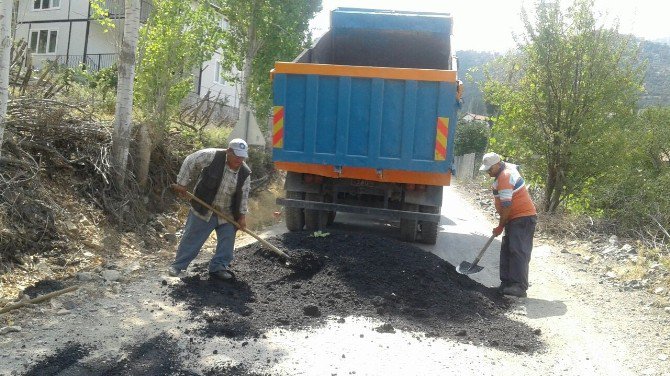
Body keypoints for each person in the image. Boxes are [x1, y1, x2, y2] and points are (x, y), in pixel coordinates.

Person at [168, 138, 251, 280]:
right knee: (192, 238)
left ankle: (218, 268)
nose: (240, 159)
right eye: (237, 156)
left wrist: (241, 217)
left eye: (242, 156)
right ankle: (178, 266)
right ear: (228, 151)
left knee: (227, 241)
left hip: (227, 213)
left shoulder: (245, 172)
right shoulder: (212, 156)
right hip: (203, 208)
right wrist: (182, 183)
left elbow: (244, 195)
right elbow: (190, 160)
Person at [479, 152, 537, 297]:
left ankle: (519, 286)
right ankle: (507, 283)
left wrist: (500, 225)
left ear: (498, 164)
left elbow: (506, 205)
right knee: (507, 249)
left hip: (522, 218)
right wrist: (504, 223)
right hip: (514, 219)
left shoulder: (505, 177)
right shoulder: (502, 174)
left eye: (489, 169)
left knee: (518, 251)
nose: (488, 172)